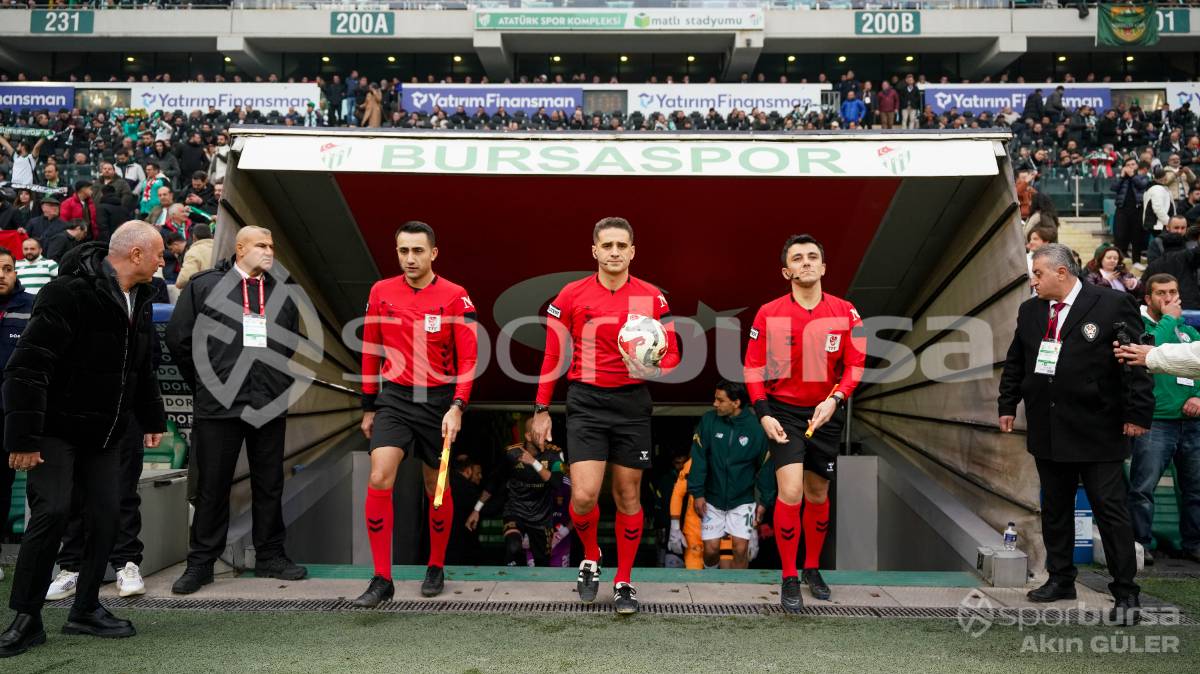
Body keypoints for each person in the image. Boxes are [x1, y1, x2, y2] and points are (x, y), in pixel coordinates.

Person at [0, 223, 166, 658]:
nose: (163, 262)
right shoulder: (66, 292)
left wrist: (152, 419)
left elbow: (142, 367)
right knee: (52, 512)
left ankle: (86, 609)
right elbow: (27, 368)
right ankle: (26, 617)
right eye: (158, 254)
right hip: (54, 429)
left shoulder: (143, 298)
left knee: (107, 515)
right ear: (134, 254)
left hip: (107, 432)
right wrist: (24, 438)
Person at [530, 216, 681, 615]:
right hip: (586, 402)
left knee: (628, 495)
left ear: (632, 251)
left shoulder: (652, 297)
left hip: (632, 403)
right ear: (594, 251)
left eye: (622, 246)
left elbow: (674, 353)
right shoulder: (571, 295)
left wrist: (655, 369)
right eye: (607, 246)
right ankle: (592, 555)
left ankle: (624, 580)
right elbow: (552, 354)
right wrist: (541, 408)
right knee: (582, 497)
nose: (614, 252)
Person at [1000, 243, 1152, 626]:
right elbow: (1017, 359)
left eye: (1038, 274)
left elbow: (1135, 362)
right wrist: (1007, 404)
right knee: (1055, 507)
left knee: (1110, 510)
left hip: (1099, 427)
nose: (1033, 281)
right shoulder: (1031, 310)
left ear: (1062, 273)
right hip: (1048, 426)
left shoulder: (1110, 305)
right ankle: (1061, 577)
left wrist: (1137, 412)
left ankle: (1125, 591)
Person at [166, 226, 308, 595]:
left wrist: (272, 381)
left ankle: (270, 555)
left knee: (269, 482)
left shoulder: (284, 291)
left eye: (272, 245)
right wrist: (205, 382)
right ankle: (201, 563)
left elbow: (290, 341)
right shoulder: (205, 286)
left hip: (267, 402)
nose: (269, 251)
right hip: (218, 405)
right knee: (212, 485)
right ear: (240, 248)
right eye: (261, 245)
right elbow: (180, 338)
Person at [352, 221, 479, 607]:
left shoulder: (456, 296)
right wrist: (369, 404)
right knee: (379, 475)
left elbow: (469, 358)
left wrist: (457, 407)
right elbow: (371, 349)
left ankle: (436, 565)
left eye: (418, 251)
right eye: (403, 251)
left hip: (440, 402)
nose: (410, 258)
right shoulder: (380, 292)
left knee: (434, 487)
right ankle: (381, 578)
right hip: (394, 400)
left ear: (433, 253)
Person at [743, 234, 865, 612]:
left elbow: (856, 364)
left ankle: (812, 567)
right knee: (791, 492)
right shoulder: (769, 313)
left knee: (817, 494)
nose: (806, 262)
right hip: (782, 413)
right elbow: (752, 368)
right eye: (798, 258)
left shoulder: (847, 312)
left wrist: (835, 399)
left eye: (813, 257)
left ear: (824, 267)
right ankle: (789, 575)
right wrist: (763, 413)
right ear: (787, 270)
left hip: (825, 412)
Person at [1123, 274, 1200, 566]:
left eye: (1173, 292)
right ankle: (1141, 544)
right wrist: (1169, 319)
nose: (1168, 298)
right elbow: (1153, 351)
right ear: (1148, 299)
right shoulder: (1140, 328)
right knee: (1144, 487)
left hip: (1192, 423)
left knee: (1195, 488)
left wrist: (1199, 396)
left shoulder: (1190, 333)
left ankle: (1192, 543)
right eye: (1161, 293)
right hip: (1155, 422)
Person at [687, 380, 775, 570]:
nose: (715, 404)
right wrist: (698, 493)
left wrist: (764, 501)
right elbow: (699, 458)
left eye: (720, 400)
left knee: (741, 549)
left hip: (743, 500)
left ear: (736, 403)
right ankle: (711, 585)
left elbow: (766, 466)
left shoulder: (756, 428)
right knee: (710, 551)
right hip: (712, 498)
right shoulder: (709, 421)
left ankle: (739, 592)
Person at [466, 418, 564, 567]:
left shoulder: (555, 454)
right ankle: (511, 579)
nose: (545, 437)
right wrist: (476, 510)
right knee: (513, 546)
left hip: (541, 517)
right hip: (515, 510)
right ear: (528, 436)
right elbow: (493, 482)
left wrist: (533, 462)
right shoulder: (511, 454)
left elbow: (556, 483)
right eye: (539, 433)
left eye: (546, 432)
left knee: (542, 561)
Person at [0, 247, 33, 574]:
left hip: (12, 416)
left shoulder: (31, 307)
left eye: (7, 269)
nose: (1, 275)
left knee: (3, 484)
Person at [1112, 157, 1151, 266]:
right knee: (1119, 236)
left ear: (1137, 166)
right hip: (1122, 210)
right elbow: (1113, 187)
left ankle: (1136, 261)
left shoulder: (1144, 177)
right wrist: (1121, 176)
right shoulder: (1121, 178)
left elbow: (1142, 185)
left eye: (1133, 164)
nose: (1130, 166)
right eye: (1128, 165)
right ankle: (1118, 261)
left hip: (1137, 209)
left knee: (1136, 236)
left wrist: (1132, 176)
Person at [667, 456, 704, 569]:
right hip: (695, 528)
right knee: (694, 574)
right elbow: (678, 493)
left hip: (725, 527)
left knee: (727, 570)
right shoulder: (692, 463)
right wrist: (674, 527)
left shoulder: (732, 455)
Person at [176, 223, 214, 289]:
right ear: (211, 235)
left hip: (202, 293)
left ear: (194, 236)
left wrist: (178, 284)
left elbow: (184, 279)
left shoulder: (193, 251)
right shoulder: (220, 248)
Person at [1144, 167, 1177, 234]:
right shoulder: (1157, 189)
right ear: (1165, 177)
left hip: (1161, 225)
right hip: (1160, 225)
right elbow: (1158, 208)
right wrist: (1169, 222)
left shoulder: (1158, 187)